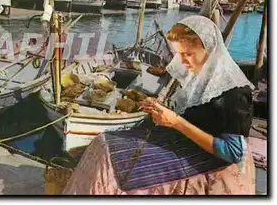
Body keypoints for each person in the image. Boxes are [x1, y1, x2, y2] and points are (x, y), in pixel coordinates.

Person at [63, 15, 256, 195]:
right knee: (103, 142)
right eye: (180, 54)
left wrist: (176, 122)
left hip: (211, 158)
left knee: (110, 159)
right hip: (185, 141)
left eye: (189, 53)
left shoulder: (235, 93)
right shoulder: (200, 80)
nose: (183, 61)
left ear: (210, 50)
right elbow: (195, 115)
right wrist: (159, 108)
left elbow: (234, 152)